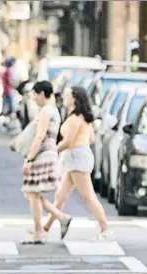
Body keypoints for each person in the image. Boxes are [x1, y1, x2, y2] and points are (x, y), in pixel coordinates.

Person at [43, 86, 114, 241]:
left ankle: (105, 229)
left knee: (88, 196)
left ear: (74, 99)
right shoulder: (80, 117)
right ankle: (46, 228)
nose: (65, 98)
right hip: (76, 156)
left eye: (68, 95)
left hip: (77, 157)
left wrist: (52, 151)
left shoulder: (76, 119)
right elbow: (91, 139)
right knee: (61, 195)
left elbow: (68, 141)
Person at [21, 81, 72, 245]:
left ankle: (39, 232)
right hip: (49, 153)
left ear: (42, 93)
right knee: (32, 193)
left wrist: (29, 158)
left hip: (42, 154)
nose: (34, 98)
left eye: (35, 94)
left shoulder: (46, 111)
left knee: (32, 192)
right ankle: (60, 218)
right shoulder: (54, 111)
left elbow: (39, 136)